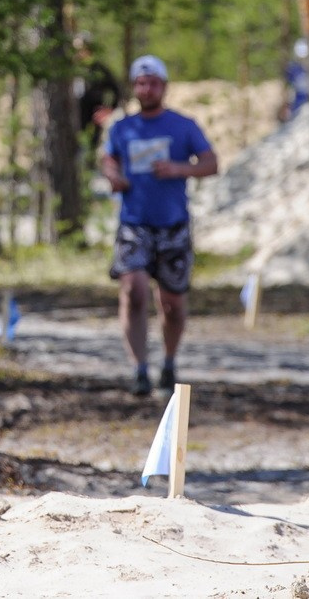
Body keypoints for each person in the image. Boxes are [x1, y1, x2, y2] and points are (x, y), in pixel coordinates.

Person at [99, 55, 218, 397]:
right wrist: (113, 176)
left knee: (172, 304)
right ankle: (139, 369)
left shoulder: (183, 126)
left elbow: (211, 163)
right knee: (133, 291)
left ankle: (168, 361)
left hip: (173, 225)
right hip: (134, 224)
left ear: (163, 87)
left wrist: (180, 169)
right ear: (134, 87)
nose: (146, 89)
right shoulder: (122, 128)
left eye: (152, 83)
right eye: (140, 83)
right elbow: (109, 160)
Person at [72, 32, 122, 150]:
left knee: (92, 148)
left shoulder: (98, 69)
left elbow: (116, 89)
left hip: (93, 119)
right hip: (73, 120)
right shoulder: (71, 69)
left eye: (83, 48)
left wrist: (109, 109)